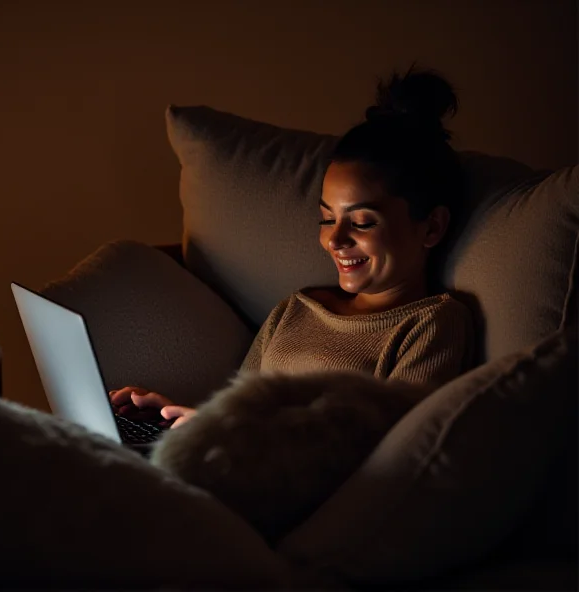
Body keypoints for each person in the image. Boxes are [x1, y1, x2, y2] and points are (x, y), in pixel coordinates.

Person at [111, 67, 475, 429]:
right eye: (327, 219)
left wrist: (226, 439)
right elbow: (233, 415)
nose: (335, 240)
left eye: (362, 222)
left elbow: (390, 452)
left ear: (432, 226)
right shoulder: (296, 309)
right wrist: (172, 418)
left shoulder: (431, 324)